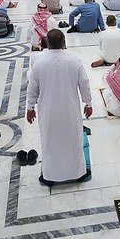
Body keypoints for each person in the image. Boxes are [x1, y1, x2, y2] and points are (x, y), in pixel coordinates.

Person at [26, 30, 92, 186]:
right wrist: (88, 103)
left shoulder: (39, 62)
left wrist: (30, 107)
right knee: (73, 140)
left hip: (48, 111)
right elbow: (84, 83)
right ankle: (78, 173)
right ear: (64, 43)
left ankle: (50, 175)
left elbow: (32, 88)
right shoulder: (74, 60)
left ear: (47, 44)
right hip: (70, 110)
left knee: (50, 142)